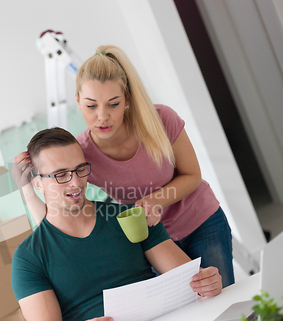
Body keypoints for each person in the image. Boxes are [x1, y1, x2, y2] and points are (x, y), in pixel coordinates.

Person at [13, 45, 235, 288]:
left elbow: (192, 176)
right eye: (91, 106)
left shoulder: (160, 120)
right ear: (77, 101)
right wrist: (27, 186)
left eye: (113, 104)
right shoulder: (80, 154)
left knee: (222, 298)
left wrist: (154, 201)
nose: (102, 116)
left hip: (201, 221)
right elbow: (56, 217)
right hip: (151, 241)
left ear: (127, 99)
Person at [11, 128, 222, 321]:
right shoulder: (28, 257)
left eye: (80, 170)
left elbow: (188, 279)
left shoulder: (129, 217)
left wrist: (207, 281)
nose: (75, 182)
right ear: (37, 184)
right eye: (61, 174)